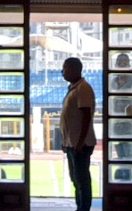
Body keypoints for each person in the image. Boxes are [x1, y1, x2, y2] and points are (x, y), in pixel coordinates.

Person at [60, 55, 97, 211]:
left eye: (65, 68)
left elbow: (86, 116)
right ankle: (80, 207)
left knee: (82, 180)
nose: (62, 72)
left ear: (74, 69)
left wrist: (80, 142)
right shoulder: (74, 88)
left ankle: (84, 208)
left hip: (80, 144)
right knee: (76, 179)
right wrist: (65, 142)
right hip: (72, 143)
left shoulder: (83, 88)